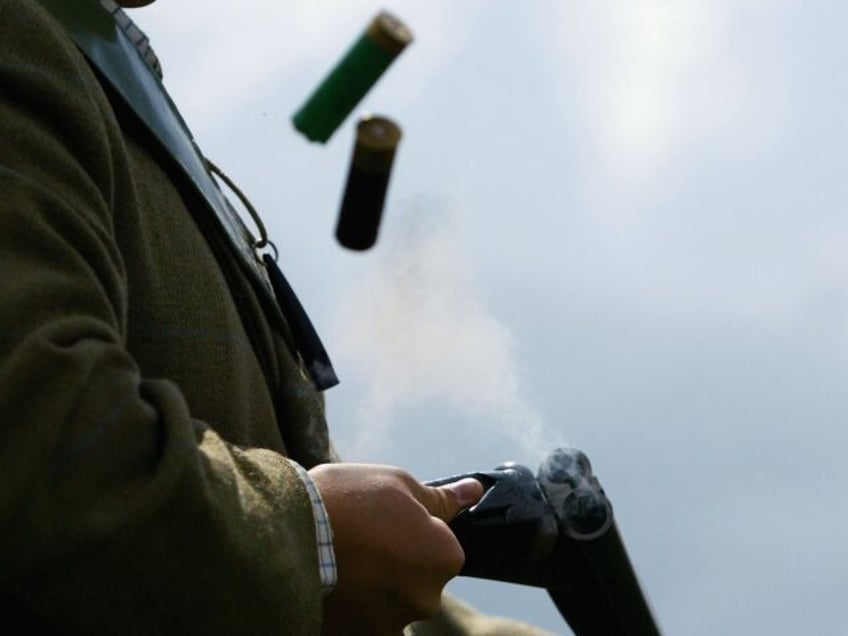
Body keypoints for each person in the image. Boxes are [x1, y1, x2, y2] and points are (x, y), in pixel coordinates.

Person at [0, 0, 554, 634]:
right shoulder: (20, 33)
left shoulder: (95, 54)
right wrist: (311, 536)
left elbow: (288, 475)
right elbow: (40, 436)